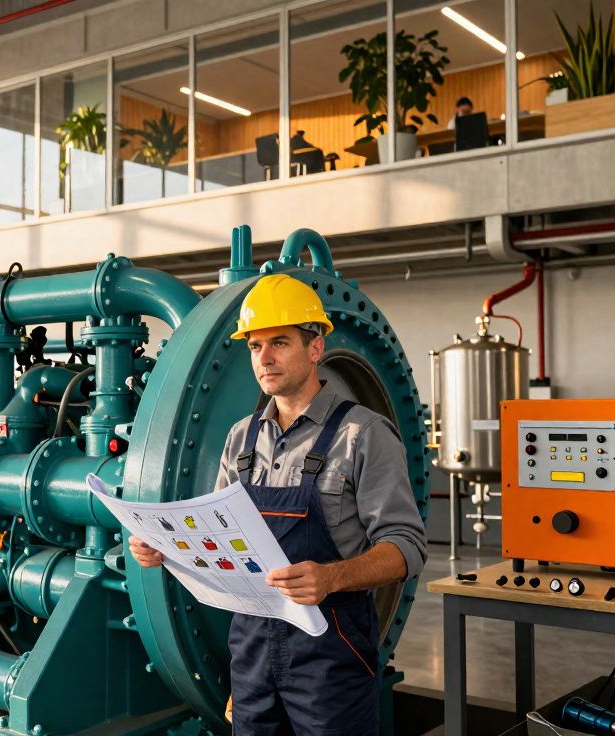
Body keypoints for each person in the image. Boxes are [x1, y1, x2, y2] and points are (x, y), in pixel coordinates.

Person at [128, 274, 427, 736]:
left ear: (315, 348)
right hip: (250, 652)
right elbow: (214, 538)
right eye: (254, 346)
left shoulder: (363, 435)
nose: (264, 359)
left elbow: (407, 546)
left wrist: (331, 577)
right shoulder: (240, 437)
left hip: (332, 653)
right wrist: (165, 550)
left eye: (279, 343)